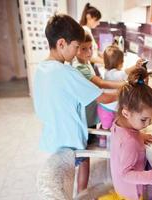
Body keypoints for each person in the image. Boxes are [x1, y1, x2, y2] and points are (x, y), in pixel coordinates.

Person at [33, 14, 116, 193]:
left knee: (64, 181)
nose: (78, 51)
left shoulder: (41, 69)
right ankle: (82, 193)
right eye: (76, 46)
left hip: (53, 139)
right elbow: (103, 98)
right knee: (75, 172)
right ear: (61, 43)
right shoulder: (66, 72)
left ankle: (78, 192)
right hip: (69, 142)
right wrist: (126, 90)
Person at [110, 68, 152, 200]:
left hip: (120, 186)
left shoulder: (119, 124)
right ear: (126, 113)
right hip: (130, 194)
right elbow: (126, 174)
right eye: (143, 119)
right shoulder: (130, 142)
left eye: (150, 119)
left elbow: (123, 142)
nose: (147, 124)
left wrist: (140, 136)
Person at [73, 33, 125, 129]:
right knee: (88, 133)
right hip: (85, 110)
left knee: (94, 129)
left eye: (90, 48)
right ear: (75, 49)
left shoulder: (85, 61)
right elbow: (100, 83)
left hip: (90, 107)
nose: (89, 52)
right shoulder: (79, 67)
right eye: (84, 49)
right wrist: (123, 85)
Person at [98, 45, 141, 130]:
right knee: (111, 128)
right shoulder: (116, 74)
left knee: (105, 127)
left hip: (104, 108)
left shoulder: (107, 72)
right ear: (119, 63)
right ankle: (108, 141)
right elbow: (126, 71)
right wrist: (136, 66)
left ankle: (102, 140)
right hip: (111, 109)